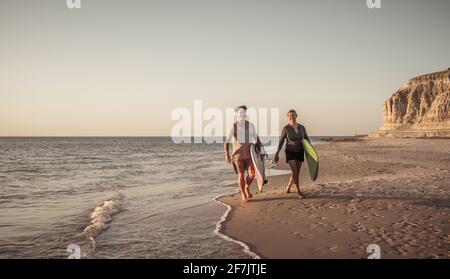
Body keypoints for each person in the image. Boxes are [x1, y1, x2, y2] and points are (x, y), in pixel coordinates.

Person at [224, 105, 264, 203]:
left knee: (252, 174)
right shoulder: (234, 126)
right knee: (241, 175)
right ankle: (243, 194)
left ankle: (246, 187)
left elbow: (256, 138)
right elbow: (227, 141)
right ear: (237, 114)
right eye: (240, 113)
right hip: (238, 155)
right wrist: (227, 155)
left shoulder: (250, 125)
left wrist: (262, 151)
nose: (242, 114)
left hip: (250, 154)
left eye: (243, 112)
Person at [274, 109, 310, 199]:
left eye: (293, 115)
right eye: (289, 115)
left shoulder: (302, 127)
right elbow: (281, 141)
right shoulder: (286, 128)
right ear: (288, 117)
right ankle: (298, 191)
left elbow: (306, 139)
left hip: (300, 151)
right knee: (294, 171)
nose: (291, 117)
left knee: (296, 173)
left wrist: (310, 151)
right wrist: (277, 153)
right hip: (290, 151)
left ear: (296, 116)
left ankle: (289, 186)